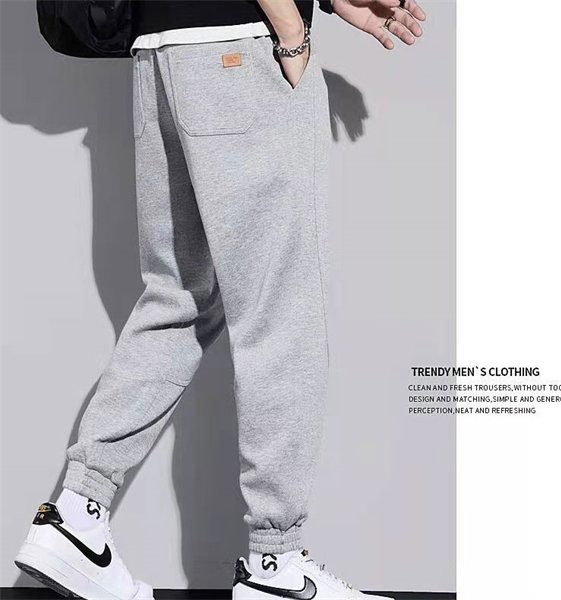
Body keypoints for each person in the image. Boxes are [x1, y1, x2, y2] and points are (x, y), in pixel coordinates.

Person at [15, 0, 426, 598]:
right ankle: (276, 565)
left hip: (160, 54)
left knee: (179, 300)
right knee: (280, 316)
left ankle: (77, 513)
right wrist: (290, 28)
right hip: (243, 47)